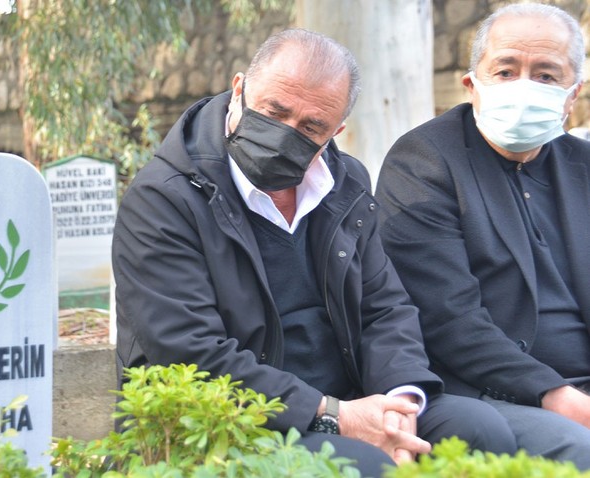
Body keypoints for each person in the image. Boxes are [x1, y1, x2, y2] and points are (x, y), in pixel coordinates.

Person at [113, 28, 516, 476]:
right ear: (238, 89)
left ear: (336, 130)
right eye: (274, 111)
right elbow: (190, 353)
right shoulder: (165, 200)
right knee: (365, 464)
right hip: (235, 420)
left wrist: (400, 401)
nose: (286, 134)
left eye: (311, 127)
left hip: (352, 397)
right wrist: (334, 415)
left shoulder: (344, 184)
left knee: (479, 431)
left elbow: (384, 308)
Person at [375, 3, 590, 470]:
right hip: (495, 392)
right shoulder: (423, 162)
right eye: (506, 70)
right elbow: (448, 318)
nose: (525, 87)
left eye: (547, 76)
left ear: (573, 96)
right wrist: (561, 397)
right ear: (473, 84)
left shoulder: (583, 166)